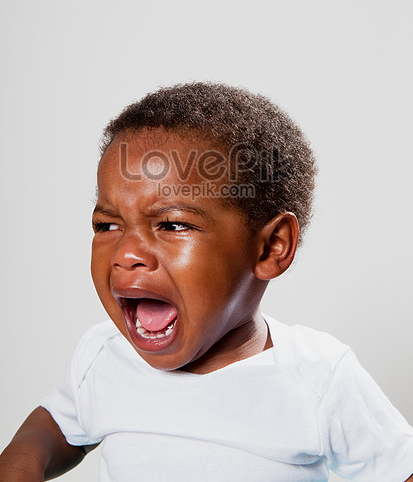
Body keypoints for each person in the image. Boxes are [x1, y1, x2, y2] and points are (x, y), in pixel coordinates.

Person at [1, 82, 413, 481]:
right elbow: (53, 428)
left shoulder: (319, 376)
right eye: (107, 224)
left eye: (173, 224)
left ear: (270, 248)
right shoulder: (104, 357)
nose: (126, 254)